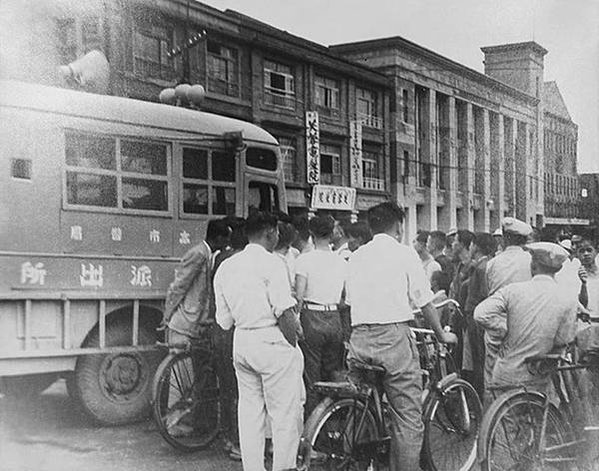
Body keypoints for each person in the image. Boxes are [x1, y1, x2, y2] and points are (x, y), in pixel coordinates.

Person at [346, 202, 457, 471]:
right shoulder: (405, 254)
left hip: (359, 338)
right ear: (399, 226)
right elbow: (424, 301)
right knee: (407, 416)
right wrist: (441, 334)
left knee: (359, 404)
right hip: (393, 338)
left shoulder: (356, 256)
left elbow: (349, 301)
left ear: (371, 227)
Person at [214, 212, 304, 471]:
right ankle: (283, 468)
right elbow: (284, 312)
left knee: (250, 413)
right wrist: (294, 345)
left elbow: (224, 321)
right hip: (272, 342)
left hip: (242, 342)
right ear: (269, 233)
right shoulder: (272, 263)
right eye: (276, 231)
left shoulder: (226, 266)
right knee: (283, 415)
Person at [474, 242, 577, 393]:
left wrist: (504, 328)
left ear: (533, 266)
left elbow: (480, 314)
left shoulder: (513, 291)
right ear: (559, 269)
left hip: (506, 374)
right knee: (541, 413)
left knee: (502, 414)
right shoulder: (568, 298)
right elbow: (563, 340)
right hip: (537, 376)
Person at [294, 215, 347, 416]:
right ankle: (333, 420)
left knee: (312, 375)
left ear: (311, 233)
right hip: (334, 318)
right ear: (332, 233)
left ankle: (313, 425)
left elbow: (299, 295)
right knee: (332, 373)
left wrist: (296, 319)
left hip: (311, 317)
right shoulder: (341, 261)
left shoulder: (304, 260)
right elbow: (344, 297)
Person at [483, 217, 532, 396]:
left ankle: (493, 417)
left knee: (492, 375)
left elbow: (490, 292)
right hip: (523, 325)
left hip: (497, 324)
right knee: (522, 374)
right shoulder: (532, 261)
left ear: (505, 238)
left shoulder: (493, 263)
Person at [162, 218, 232, 344]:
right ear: (219, 238)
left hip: (192, 325)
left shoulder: (207, 254)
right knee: (181, 362)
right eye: (227, 239)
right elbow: (179, 286)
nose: (228, 244)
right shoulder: (198, 254)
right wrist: (167, 315)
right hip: (184, 325)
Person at [462, 232, 496, 396]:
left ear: (476, 246)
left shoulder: (482, 268)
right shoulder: (480, 266)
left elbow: (483, 294)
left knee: (478, 360)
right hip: (475, 317)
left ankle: (480, 398)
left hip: (477, 319)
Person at [578, 238, 599, 316]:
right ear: (577, 254)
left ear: (596, 252)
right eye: (582, 251)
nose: (586, 254)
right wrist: (583, 284)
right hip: (586, 321)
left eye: (589, 250)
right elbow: (582, 304)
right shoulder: (573, 275)